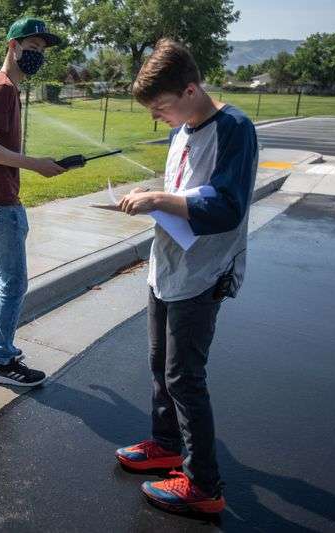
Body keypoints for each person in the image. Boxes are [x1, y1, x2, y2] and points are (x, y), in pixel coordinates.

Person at [114, 39, 258, 515]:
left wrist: (159, 201)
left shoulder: (235, 129)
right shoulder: (182, 130)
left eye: (162, 107)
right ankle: (166, 444)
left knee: (185, 376)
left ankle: (204, 486)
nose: (158, 118)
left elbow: (227, 207)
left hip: (204, 271)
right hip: (168, 266)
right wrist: (152, 194)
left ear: (192, 89)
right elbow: (182, 190)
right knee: (160, 364)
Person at [0, 18, 67, 387]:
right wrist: (36, 165)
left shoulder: (4, 87)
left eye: (41, 51)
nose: (37, 55)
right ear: (13, 46)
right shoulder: (4, 90)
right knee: (14, 282)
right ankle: (4, 362)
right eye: (32, 48)